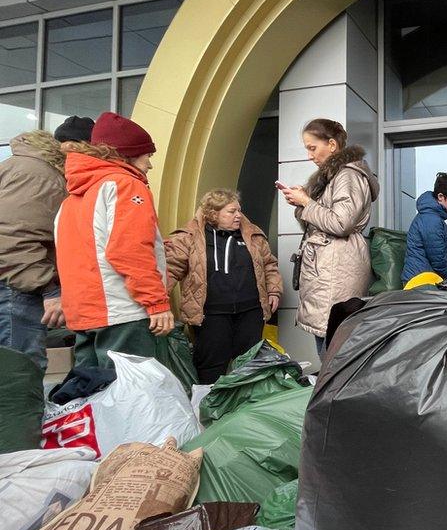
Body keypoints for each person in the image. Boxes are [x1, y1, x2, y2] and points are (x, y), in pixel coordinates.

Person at [55, 112, 173, 368]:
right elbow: (131, 251)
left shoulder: (70, 200)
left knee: (94, 397)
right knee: (136, 398)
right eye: (147, 156)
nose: (150, 164)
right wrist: (156, 303)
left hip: (84, 314)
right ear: (128, 154)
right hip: (123, 314)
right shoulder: (125, 186)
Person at [280, 119, 379, 354]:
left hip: (337, 268)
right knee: (329, 345)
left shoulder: (348, 175)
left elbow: (341, 223)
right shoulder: (332, 177)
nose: (309, 155)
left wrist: (306, 202)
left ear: (332, 144)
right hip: (329, 267)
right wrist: (303, 202)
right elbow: (318, 222)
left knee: (333, 349)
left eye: (312, 148)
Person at [165, 189, 283, 383]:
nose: (238, 215)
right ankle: (210, 406)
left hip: (251, 312)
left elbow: (269, 264)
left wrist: (274, 290)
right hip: (211, 314)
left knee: (248, 363)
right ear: (214, 213)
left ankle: (245, 407)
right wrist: (158, 303)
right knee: (211, 364)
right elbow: (171, 268)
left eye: (239, 210)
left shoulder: (253, 235)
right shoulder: (189, 236)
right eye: (231, 211)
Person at [0, 130, 67, 370]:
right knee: (19, 373)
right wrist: (48, 289)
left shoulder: (12, 167)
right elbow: (15, 238)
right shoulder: (40, 176)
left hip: (13, 283)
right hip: (16, 289)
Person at [401, 172, 447, 286]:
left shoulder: (435, 219)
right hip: (420, 280)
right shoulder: (431, 221)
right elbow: (438, 262)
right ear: (440, 197)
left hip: (426, 277)